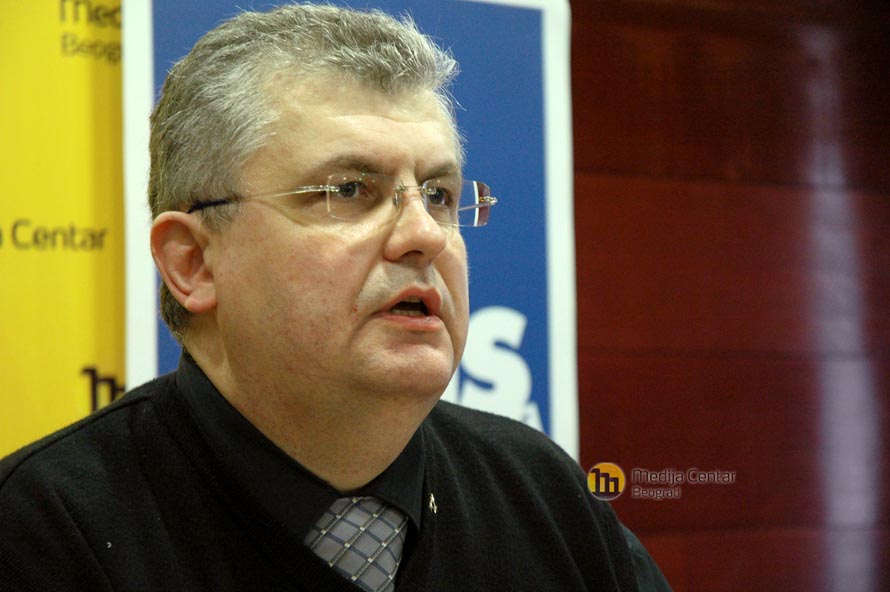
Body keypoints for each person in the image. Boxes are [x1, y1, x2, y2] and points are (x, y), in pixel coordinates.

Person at [0, 4, 670, 591]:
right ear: (194, 263)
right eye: (350, 190)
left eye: (439, 195)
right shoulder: (42, 532)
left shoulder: (544, 493)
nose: (422, 235)